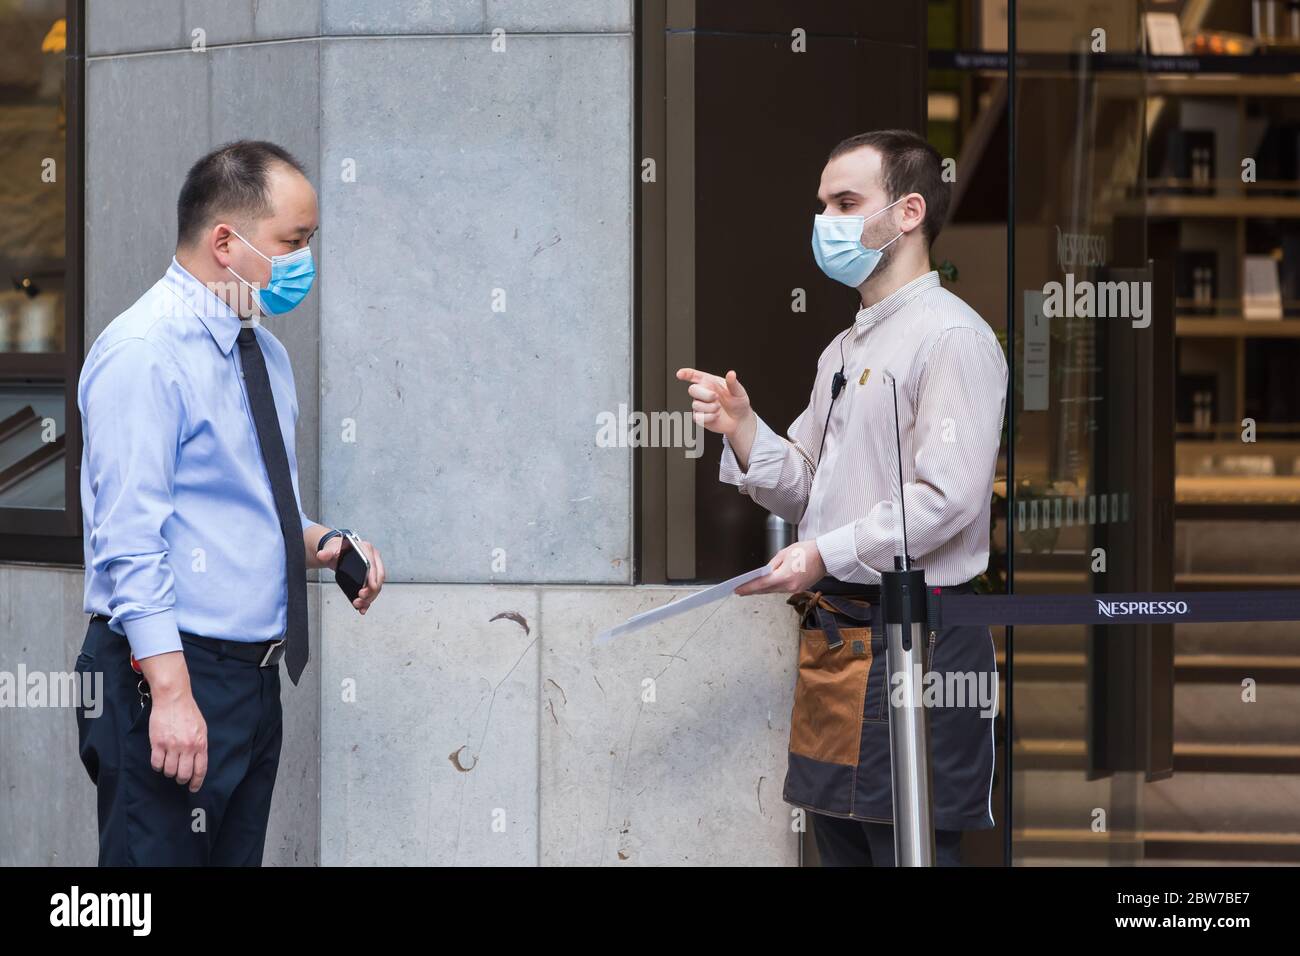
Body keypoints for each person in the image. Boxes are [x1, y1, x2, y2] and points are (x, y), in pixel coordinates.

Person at [678, 129, 1007, 866]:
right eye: (822, 203)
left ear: (909, 212)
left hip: (919, 641)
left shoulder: (953, 339)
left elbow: (947, 500)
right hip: (840, 641)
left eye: (846, 202)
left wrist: (820, 553)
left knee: (911, 851)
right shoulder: (845, 347)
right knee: (841, 846)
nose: (825, 220)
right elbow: (806, 485)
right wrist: (742, 429)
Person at [74, 140, 386, 866]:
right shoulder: (144, 353)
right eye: (293, 242)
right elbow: (128, 541)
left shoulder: (262, 353)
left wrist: (328, 544)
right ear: (226, 241)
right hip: (162, 676)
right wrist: (174, 694)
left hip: (250, 681)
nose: (304, 261)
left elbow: (248, 510)